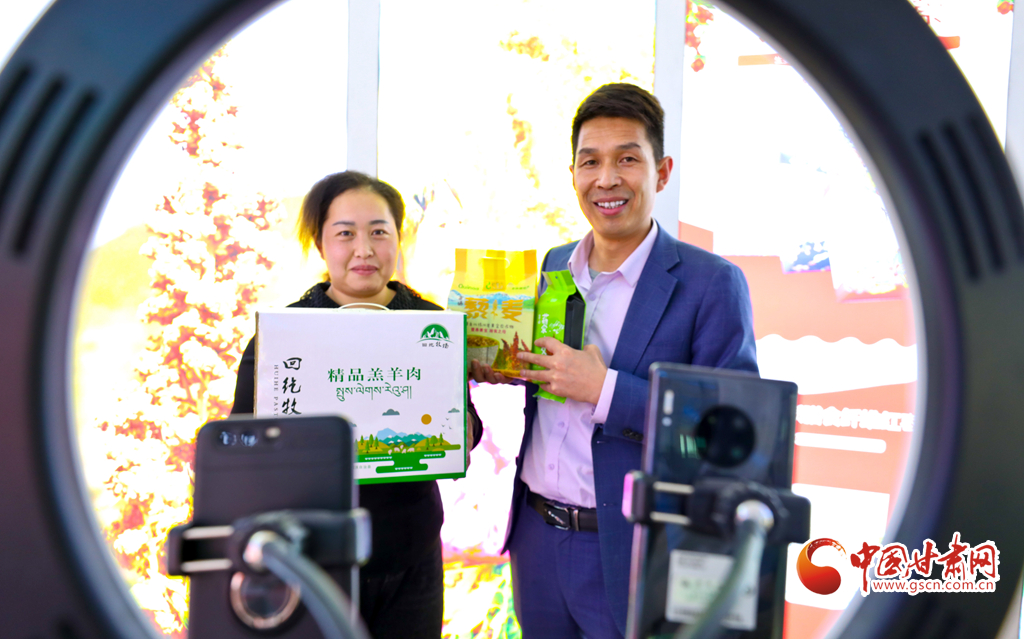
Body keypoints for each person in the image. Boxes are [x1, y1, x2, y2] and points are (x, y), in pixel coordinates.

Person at [471, 83, 758, 638]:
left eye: (627, 159)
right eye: (590, 162)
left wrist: (605, 389)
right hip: (536, 538)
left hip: (632, 548)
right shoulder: (554, 265)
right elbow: (549, 381)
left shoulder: (712, 283)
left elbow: (734, 435)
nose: (606, 179)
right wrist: (502, 366)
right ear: (573, 174)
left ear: (662, 172)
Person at [231, 170, 484, 639]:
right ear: (320, 242)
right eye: (345, 234)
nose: (364, 250)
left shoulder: (432, 325)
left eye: (379, 232)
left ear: (398, 238)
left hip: (412, 558)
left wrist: (464, 432)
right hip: (312, 562)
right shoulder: (282, 337)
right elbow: (239, 445)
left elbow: (462, 422)